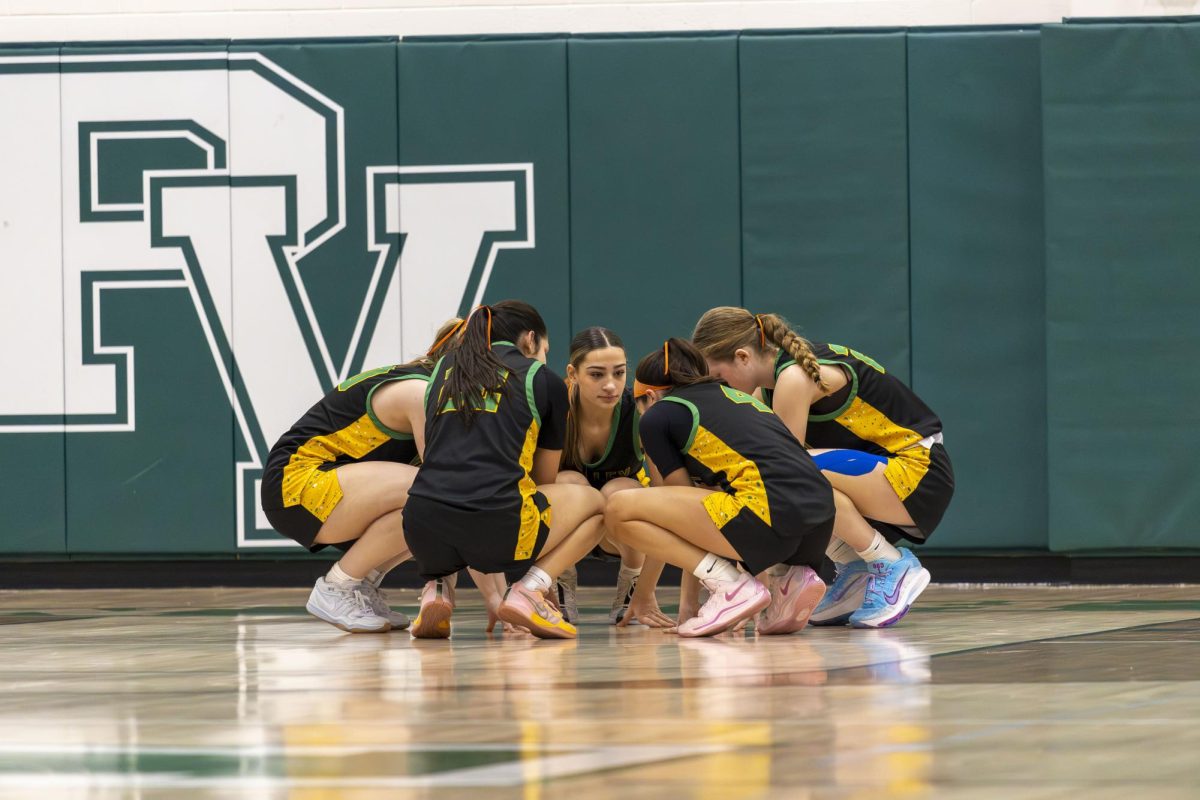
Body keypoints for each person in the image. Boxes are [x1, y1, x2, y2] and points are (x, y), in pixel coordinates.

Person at [692, 307, 954, 628]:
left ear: (743, 356)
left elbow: (783, 475)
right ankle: (853, 568)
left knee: (792, 476)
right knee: (780, 478)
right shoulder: (774, 382)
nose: (721, 387)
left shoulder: (793, 378)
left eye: (719, 377)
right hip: (883, 476)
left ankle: (890, 564)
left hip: (920, 473)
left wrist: (769, 576)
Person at [605, 338, 834, 637]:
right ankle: (790, 581)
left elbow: (682, 517)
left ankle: (731, 588)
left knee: (618, 509)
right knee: (721, 499)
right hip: (820, 520)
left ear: (649, 396)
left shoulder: (658, 417)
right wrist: (691, 609)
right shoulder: (740, 398)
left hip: (770, 517)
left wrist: (688, 604)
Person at [403, 300, 605, 640]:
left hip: (420, 528)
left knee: (449, 499)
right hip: (499, 528)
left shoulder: (443, 369)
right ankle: (530, 591)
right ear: (529, 340)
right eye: (545, 348)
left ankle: (437, 590)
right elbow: (543, 481)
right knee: (598, 507)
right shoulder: (543, 379)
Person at [260, 319, 460, 633]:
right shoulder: (421, 393)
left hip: (330, 487)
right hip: (294, 484)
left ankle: (362, 586)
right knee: (432, 495)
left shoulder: (434, 389)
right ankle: (336, 587)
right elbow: (443, 487)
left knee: (432, 506)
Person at [556, 326, 673, 628]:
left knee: (621, 491)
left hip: (619, 534)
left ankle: (631, 588)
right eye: (596, 375)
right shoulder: (555, 409)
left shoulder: (639, 410)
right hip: (567, 530)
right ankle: (557, 582)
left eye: (619, 373)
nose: (610, 385)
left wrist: (647, 587)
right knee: (568, 483)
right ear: (572, 374)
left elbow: (665, 498)